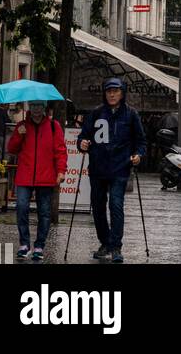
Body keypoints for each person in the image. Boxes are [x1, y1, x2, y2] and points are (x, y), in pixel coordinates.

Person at [78, 77, 146, 263]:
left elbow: (141, 141)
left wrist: (138, 154)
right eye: (109, 91)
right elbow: (83, 137)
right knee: (98, 207)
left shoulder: (131, 114)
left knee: (116, 205)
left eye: (115, 91)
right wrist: (82, 143)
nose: (112, 94)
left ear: (122, 93)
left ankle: (116, 246)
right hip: (98, 168)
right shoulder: (96, 113)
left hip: (120, 168)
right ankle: (105, 242)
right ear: (105, 93)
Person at [6, 102, 68, 261]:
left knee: (45, 212)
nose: (36, 109)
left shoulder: (54, 127)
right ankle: (24, 244)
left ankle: (39, 245)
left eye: (39, 106)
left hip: (46, 176)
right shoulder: (22, 126)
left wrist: (61, 171)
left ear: (44, 108)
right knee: (21, 207)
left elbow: (60, 151)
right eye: (33, 106)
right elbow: (12, 149)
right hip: (25, 175)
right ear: (29, 108)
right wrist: (19, 134)